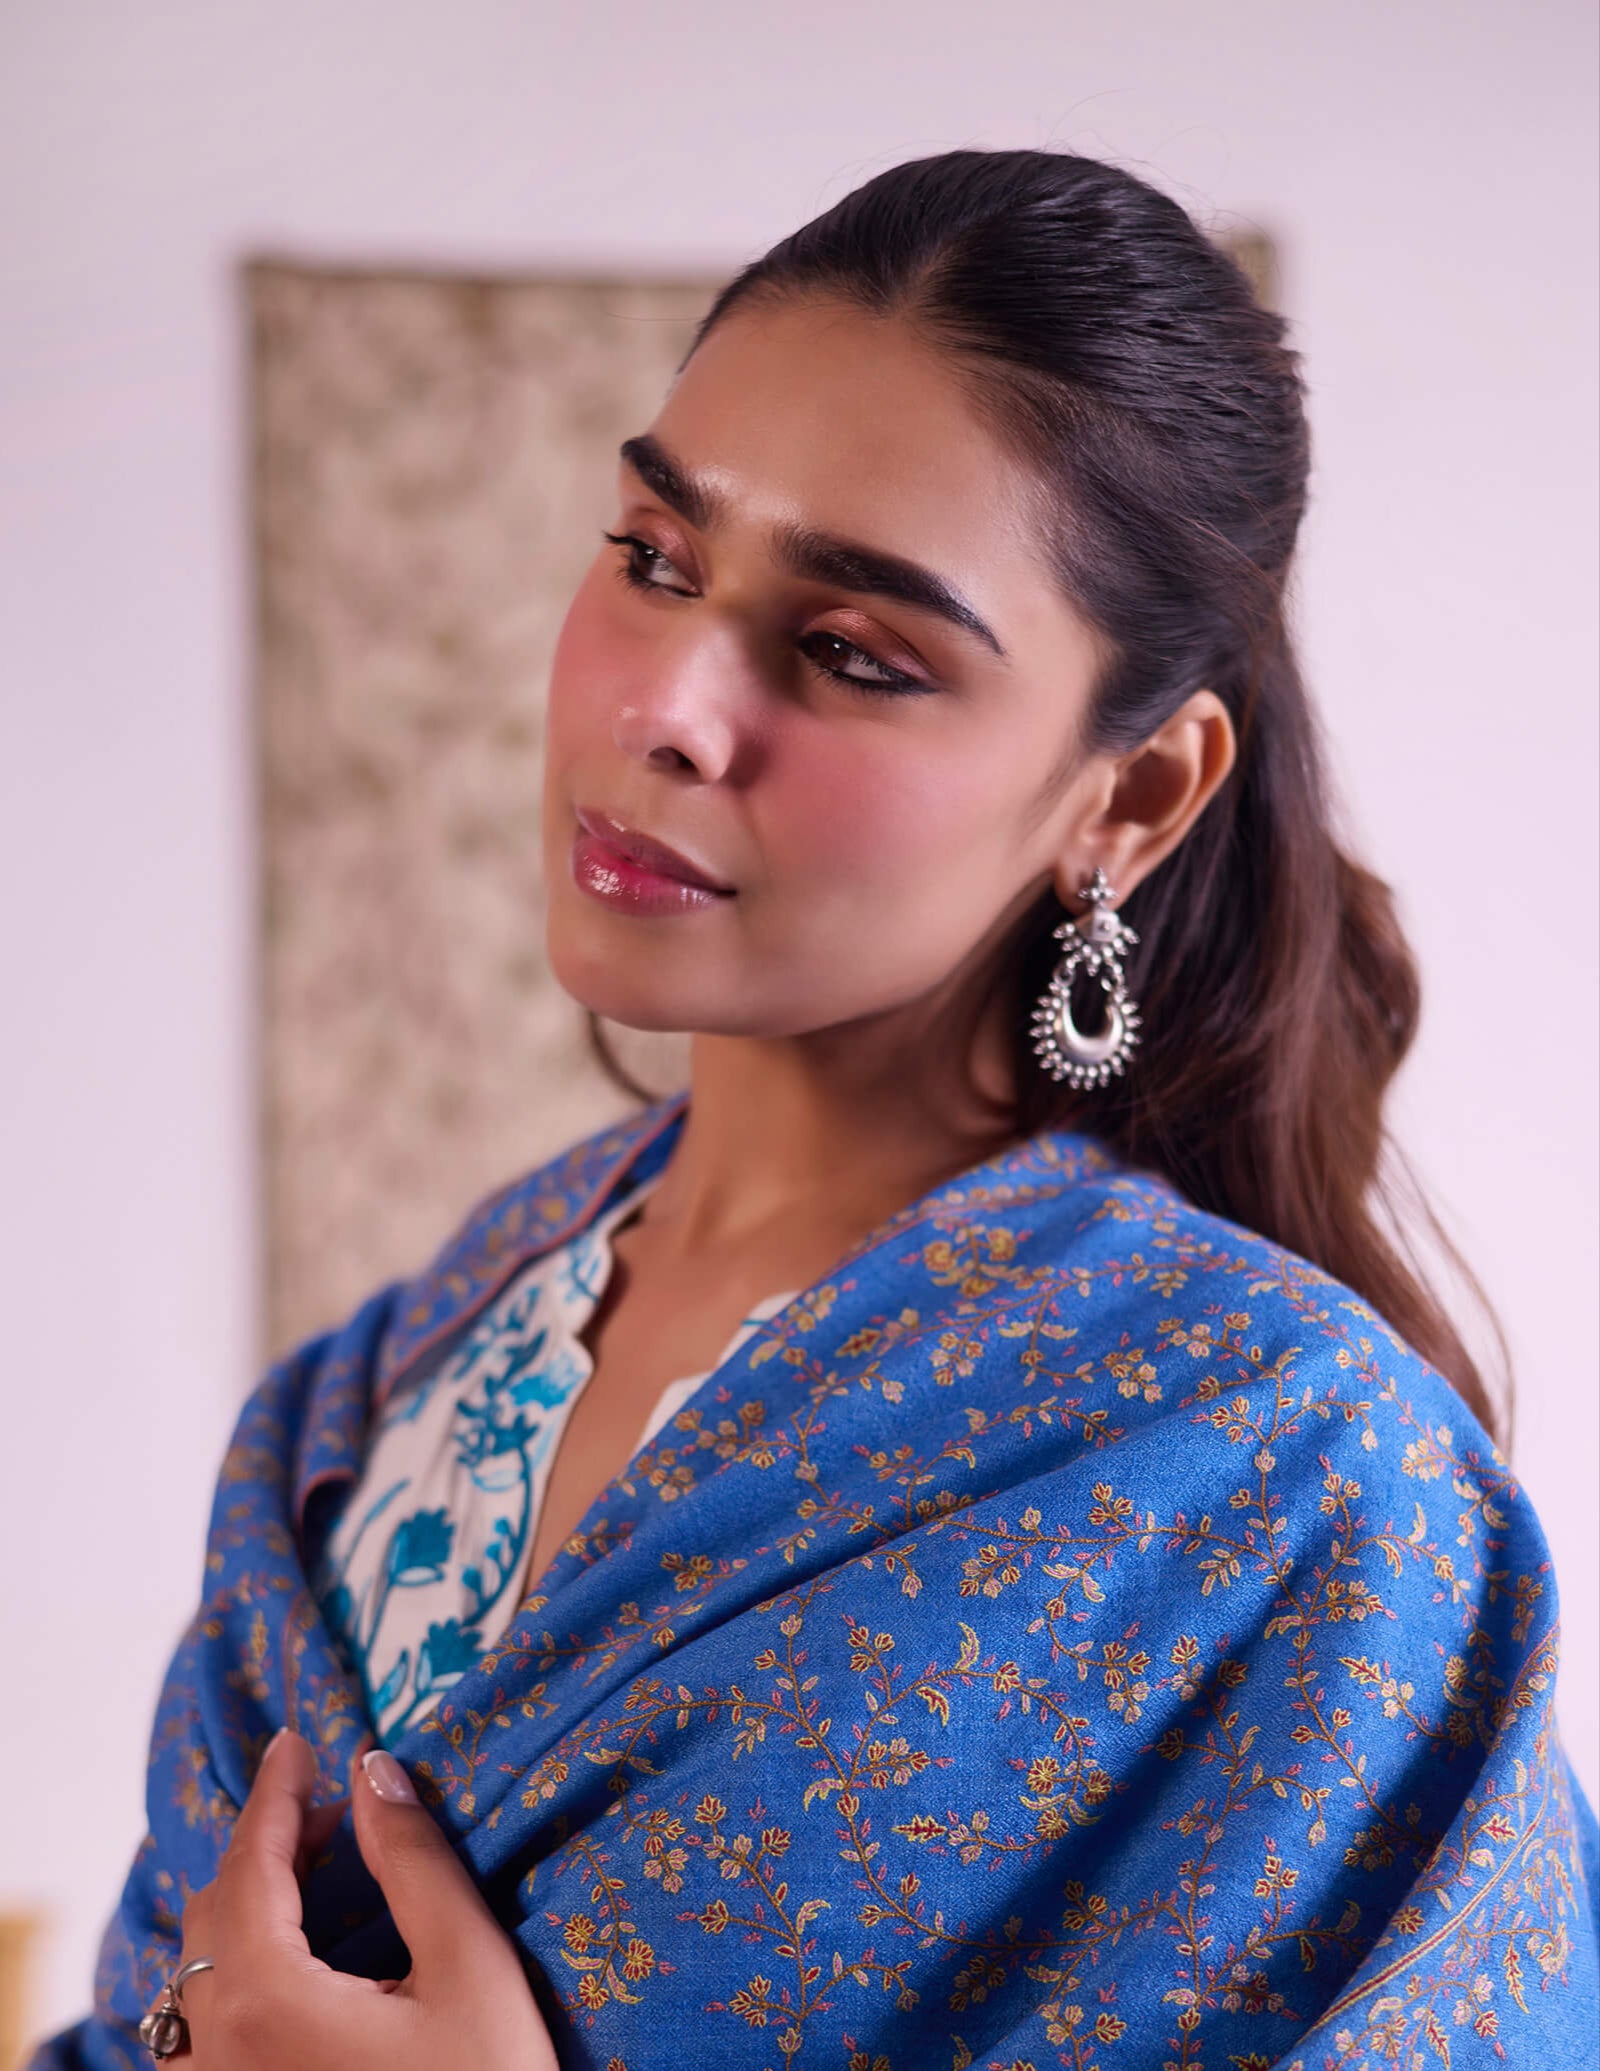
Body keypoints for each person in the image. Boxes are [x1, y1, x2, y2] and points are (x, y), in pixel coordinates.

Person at [33, 147, 1596, 2071]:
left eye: (855, 654)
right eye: (654, 559)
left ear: (1132, 796)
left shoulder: (1303, 1491)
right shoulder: (409, 1374)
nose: (671, 702)